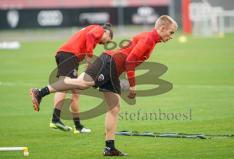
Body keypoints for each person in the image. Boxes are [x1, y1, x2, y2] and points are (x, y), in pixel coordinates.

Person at [30, 15, 178, 156]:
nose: (171, 36)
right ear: (162, 28)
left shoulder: (149, 37)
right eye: (171, 32)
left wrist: (121, 76)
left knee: (114, 107)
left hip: (113, 67)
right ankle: (40, 92)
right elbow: (130, 61)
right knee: (82, 83)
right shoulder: (149, 39)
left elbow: (130, 48)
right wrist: (132, 85)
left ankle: (110, 147)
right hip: (109, 62)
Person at [41, 23, 113, 133]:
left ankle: (78, 126)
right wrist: (89, 57)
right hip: (69, 55)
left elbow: (87, 38)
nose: (104, 44)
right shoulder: (99, 29)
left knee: (75, 92)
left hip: (69, 56)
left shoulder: (94, 31)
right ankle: (55, 118)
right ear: (107, 33)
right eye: (107, 41)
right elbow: (89, 36)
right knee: (63, 85)